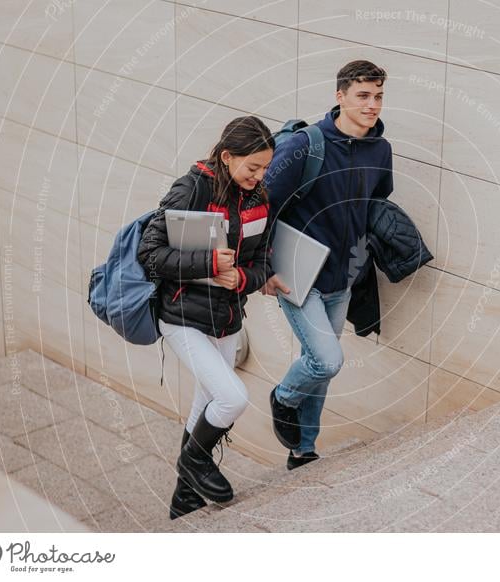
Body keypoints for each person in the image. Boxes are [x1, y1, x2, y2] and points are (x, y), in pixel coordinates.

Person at [137, 116, 275, 519]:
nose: (259, 176)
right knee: (232, 397)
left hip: (226, 317)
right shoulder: (192, 188)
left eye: (265, 168)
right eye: (252, 168)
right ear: (228, 156)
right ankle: (193, 462)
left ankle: (184, 499)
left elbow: (264, 260)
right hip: (181, 316)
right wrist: (209, 263)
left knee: (206, 401)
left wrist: (243, 278)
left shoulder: (259, 198)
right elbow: (150, 255)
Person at [261, 60, 393, 470]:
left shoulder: (381, 149)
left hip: (343, 278)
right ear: (340, 96)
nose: (372, 105)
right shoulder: (305, 145)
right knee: (327, 360)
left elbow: (377, 202)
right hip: (298, 276)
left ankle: (303, 450)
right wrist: (264, 268)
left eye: (378, 97)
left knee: (319, 364)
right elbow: (262, 205)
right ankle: (282, 398)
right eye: (363, 96)